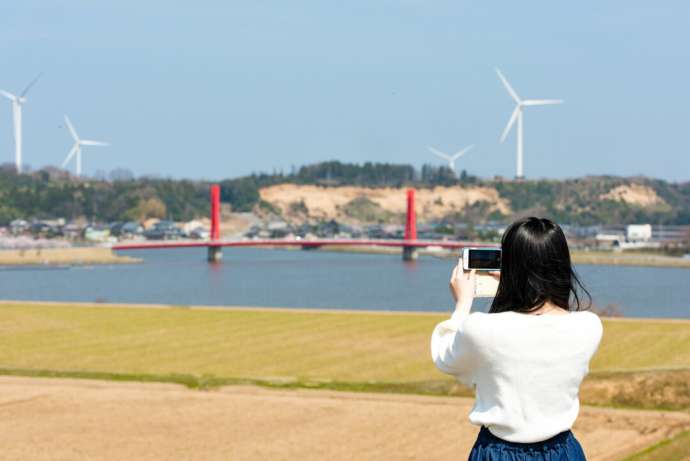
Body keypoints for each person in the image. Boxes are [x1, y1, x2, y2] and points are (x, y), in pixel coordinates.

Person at [430, 217, 603, 461]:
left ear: (509, 266)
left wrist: (463, 304)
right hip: (563, 451)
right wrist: (520, 284)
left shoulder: (481, 328)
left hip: (498, 453)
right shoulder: (589, 327)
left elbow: (444, 356)